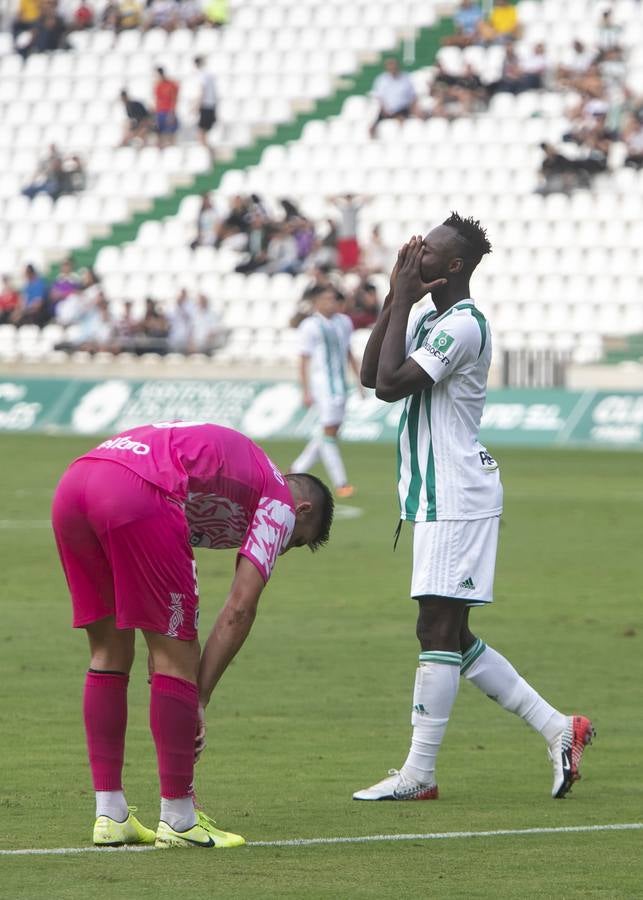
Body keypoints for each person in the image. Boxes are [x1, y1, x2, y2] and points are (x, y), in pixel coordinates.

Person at [354, 213, 593, 802]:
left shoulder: (461, 325)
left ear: (454, 266)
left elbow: (390, 386)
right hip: (440, 496)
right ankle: (559, 728)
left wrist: (404, 299)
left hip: (457, 495)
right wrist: (395, 298)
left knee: (436, 628)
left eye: (428, 251)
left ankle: (419, 774)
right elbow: (368, 373)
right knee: (447, 631)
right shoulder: (432, 318)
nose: (416, 255)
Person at [52, 422, 334, 848]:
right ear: (304, 511)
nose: (282, 548)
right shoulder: (279, 499)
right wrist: (196, 696)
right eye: (294, 543)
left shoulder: (235, 477)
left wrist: (177, 685)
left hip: (78, 481)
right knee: (177, 656)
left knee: (109, 652)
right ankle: (180, 820)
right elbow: (239, 609)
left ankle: (111, 815)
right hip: (139, 491)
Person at [290, 285, 361, 498]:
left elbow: (348, 351)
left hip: (340, 385)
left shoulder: (344, 322)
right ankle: (341, 483)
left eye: (333, 298)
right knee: (329, 433)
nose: (332, 302)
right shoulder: (310, 326)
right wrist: (306, 390)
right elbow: (304, 359)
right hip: (323, 386)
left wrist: (357, 379)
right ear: (316, 303)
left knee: (329, 434)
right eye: (326, 299)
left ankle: (295, 471)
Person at [370, 58, 417, 138]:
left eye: (393, 65)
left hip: (402, 109)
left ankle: (401, 138)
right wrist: (384, 109)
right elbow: (379, 97)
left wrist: (412, 108)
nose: (392, 67)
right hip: (386, 110)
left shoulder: (406, 78)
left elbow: (413, 96)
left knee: (402, 121)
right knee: (372, 128)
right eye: (389, 65)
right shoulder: (381, 79)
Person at [194, 56, 217, 150]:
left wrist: (196, 105)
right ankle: (208, 153)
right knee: (204, 133)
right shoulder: (209, 75)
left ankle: (207, 154)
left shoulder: (202, 75)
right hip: (211, 106)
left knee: (201, 133)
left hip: (205, 106)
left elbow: (202, 91)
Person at [154, 67, 180, 149]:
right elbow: (157, 100)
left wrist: (172, 112)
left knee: (170, 133)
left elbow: (174, 99)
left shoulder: (171, 84)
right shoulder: (157, 85)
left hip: (168, 111)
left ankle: (172, 150)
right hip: (160, 111)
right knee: (160, 133)